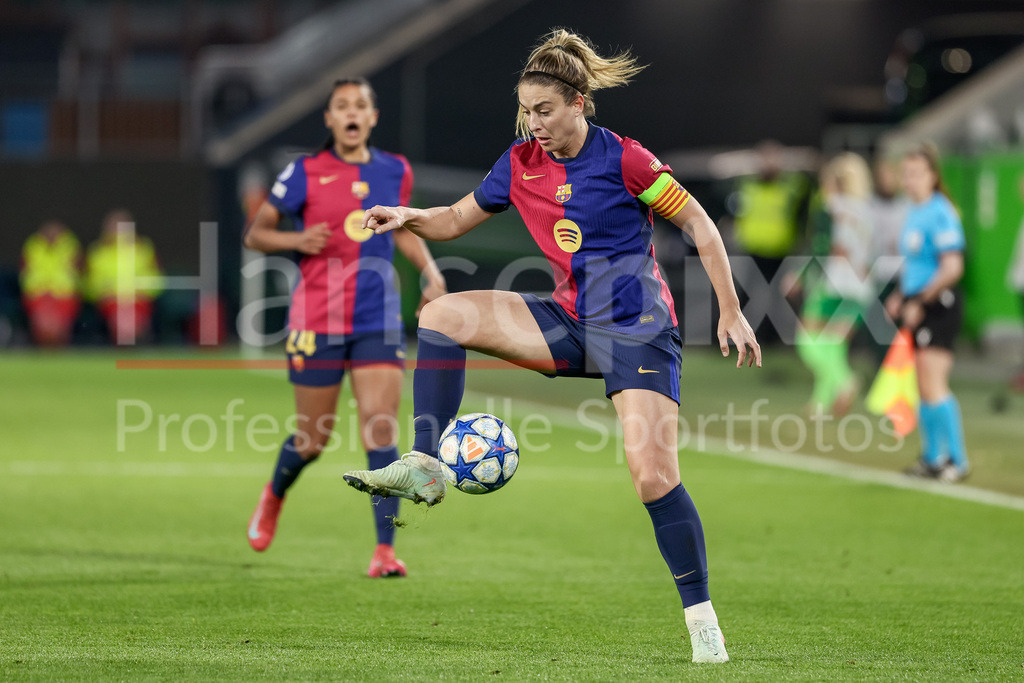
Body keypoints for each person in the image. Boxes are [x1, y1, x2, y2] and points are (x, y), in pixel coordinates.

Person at [343, 30, 760, 663]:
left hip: (638, 332)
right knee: (443, 315)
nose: (534, 123)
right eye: (526, 111)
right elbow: (455, 219)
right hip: (569, 322)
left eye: (544, 110)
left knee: (652, 477)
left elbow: (699, 223)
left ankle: (702, 622)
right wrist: (408, 216)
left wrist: (730, 309)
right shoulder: (520, 164)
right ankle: (426, 464)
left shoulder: (627, 160)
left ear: (578, 104)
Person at [243, 77, 447, 578]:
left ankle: (384, 551)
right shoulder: (304, 173)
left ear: (372, 117)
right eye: (342, 106)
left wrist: (431, 271)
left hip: (376, 320)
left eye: (360, 105)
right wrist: (296, 240)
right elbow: (256, 234)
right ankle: (274, 494)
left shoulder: (395, 170)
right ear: (330, 119)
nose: (352, 113)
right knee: (312, 440)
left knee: (381, 429)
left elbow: (403, 229)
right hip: (317, 320)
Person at [885, 144, 969, 482]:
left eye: (916, 173)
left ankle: (957, 461)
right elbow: (916, 265)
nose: (909, 180)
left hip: (940, 305)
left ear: (933, 176)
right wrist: (900, 295)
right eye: (905, 174)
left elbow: (952, 268)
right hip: (919, 303)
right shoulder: (914, 211)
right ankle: (933, 457)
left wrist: (919, 301)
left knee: (934, 383)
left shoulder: (940, 211)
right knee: (922, 384)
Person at [794, 153, 874, 415]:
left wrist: (800, 273)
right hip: (860, 286)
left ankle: (845, 381)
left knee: (807, 341)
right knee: (833, 346)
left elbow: (820, 246)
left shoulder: (830, 208)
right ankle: (819, 403)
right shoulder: (868, 211)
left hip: (832, 282)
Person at [731, 140, 809, 345]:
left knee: (777, 298)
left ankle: (770, 338)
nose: (769, 163)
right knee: (744, 295)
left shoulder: (791, 187)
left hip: (780, 250)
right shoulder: (747, 186)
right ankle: (738, 334)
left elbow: (804, 187)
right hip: (752, 249)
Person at [83, 209, 164, 344]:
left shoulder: (144, 248)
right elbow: (90, 282)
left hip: (138, 299)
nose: (118, 231)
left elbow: (155, 278)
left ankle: (139, 339)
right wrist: (104, 293)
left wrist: (141, 291)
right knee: (122, 324)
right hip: (110, 301)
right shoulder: (96, 251)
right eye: (113, 226)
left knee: (130, 322)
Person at [19, 220, 82, 346]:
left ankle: (61, 347)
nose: (52, 235)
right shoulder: (32, 247)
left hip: (64, 295)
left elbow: (78, 274)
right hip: (37, 294)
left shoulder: (70, 247)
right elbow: (25, 273)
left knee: (58, 324)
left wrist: (58, 290)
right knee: (43, 321)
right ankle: (41, 347)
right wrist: (42, 289)